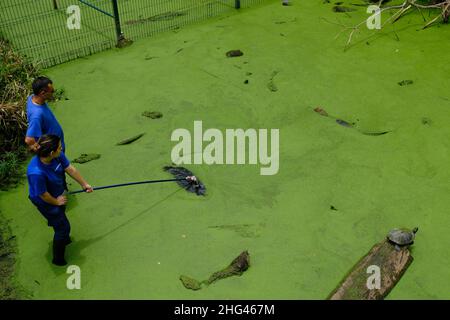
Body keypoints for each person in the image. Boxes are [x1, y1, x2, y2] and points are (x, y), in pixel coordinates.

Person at [27, 134, 93, 266]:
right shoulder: (36, 172)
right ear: (52, 152)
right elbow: (43, 194)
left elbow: (70, 169)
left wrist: (84, 184)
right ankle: (58, 260)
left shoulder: (57, 155)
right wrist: (56, 202)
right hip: (45, 200)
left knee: (60, 216)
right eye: (59, 147)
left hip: (58, 193)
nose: (61, 149)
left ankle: (63, 235)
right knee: (63, 228)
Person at [25, 77, 65, 153]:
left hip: (58, 146)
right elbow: (29, 139)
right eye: (52, 91)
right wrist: (44, 152)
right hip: (54, 151)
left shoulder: (32, 98)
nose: (53, 93)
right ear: (42, 93)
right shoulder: (36, 115)